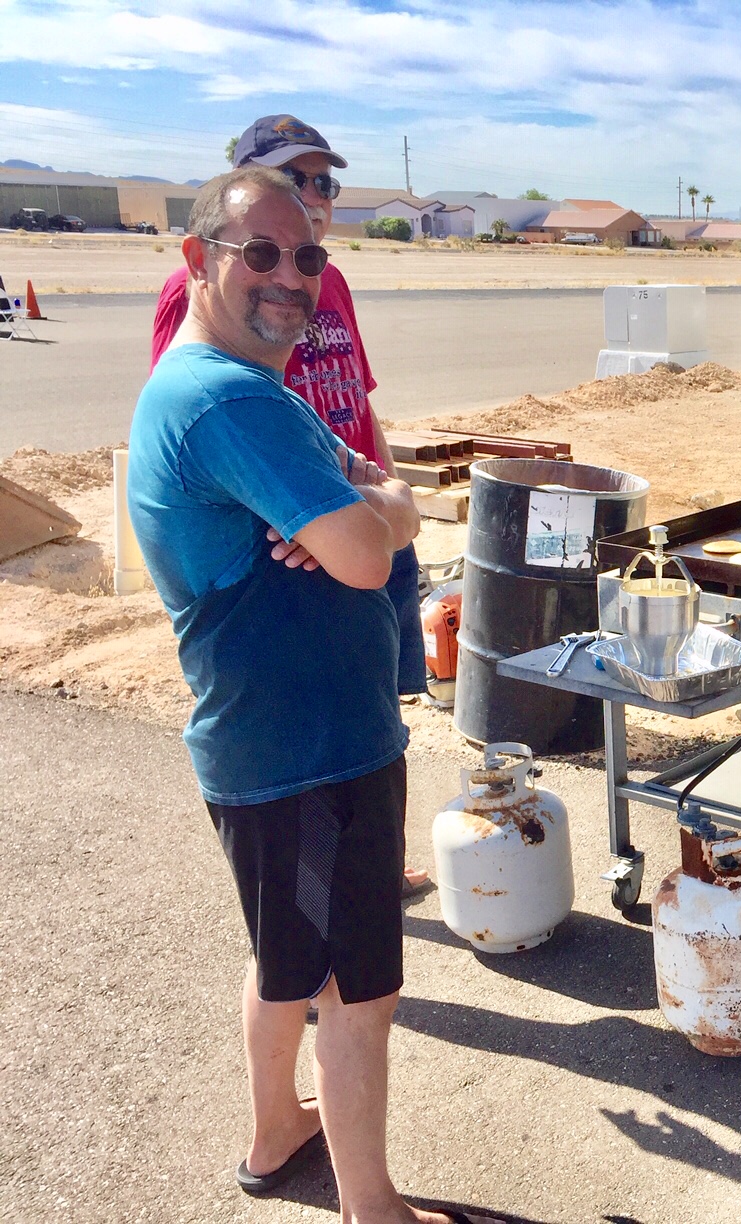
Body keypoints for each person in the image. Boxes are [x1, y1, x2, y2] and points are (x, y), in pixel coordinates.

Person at [127, 165, 496, 1224]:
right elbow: (374, 552)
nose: (289, 275)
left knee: (284, 966)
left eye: (308, 256)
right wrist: (374, 517)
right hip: (310, 757)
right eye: (260, 252)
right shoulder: (231, 400)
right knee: (357, 993)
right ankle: (372, 1207)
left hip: (269, 749)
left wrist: (375, 508)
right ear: (198, 260)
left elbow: (386, 503)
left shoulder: (244, 389)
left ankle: (274, 1132)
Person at [151, 114, 431, 897]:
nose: (314, 195)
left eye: (324, 181)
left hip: (358, 509)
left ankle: (376, 868)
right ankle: (327, 908)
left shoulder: (324, 279)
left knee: (376, 707)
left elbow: (358, 397)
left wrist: (387, 491)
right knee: (313, 759)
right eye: (295, 179)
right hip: (298, 539)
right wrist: (337, 513)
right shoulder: (199, 298)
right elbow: (198, 433)